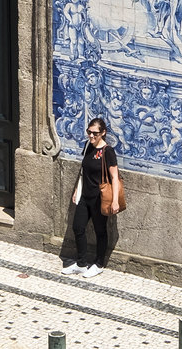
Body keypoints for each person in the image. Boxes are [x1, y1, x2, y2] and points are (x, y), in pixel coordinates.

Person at [68, 116, 119, 279]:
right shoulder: (88, 146)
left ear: (103, 133)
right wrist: (77, 189)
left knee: (100, 231)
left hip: (100, 198)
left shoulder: (108, 152)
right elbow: (83, 170)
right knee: (78, 227)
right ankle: (82, 263)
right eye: (89, 132)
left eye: (95, 133)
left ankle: (98, 264)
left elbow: (115, 178)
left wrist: (115, 200)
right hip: (85, 195)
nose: (91, 136)